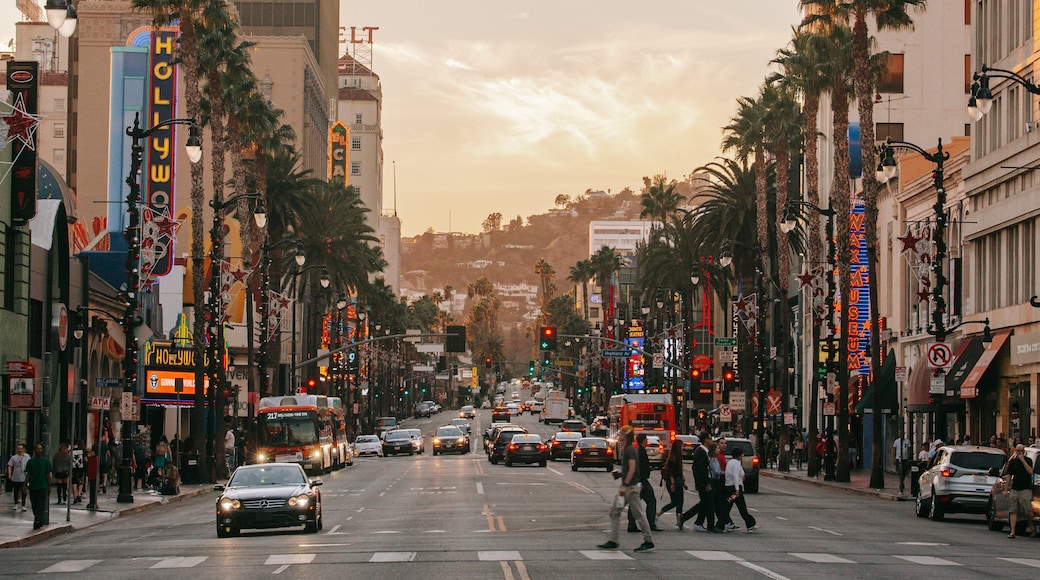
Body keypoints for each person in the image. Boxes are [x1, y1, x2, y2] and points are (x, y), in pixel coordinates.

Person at [598, 426, 654, 552]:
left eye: (622, 433)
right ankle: (613, 540)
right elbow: (630, 469)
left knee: (638, 514)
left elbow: (633, 468)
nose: (620, 435)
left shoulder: (629, 449)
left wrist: (624, 485)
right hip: (628, 487)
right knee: (615, 511)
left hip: (630, 488)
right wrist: (621, 474)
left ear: (627, 435)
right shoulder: (628, 448)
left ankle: (648, 540)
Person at [679, 432, 720, 532]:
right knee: (709, 504)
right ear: (705, 440)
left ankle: (694, 520)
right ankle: (710, 526)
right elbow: (701, 470)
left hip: (705, 481)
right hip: (704, 483)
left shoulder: (704, 452)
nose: (711, 440)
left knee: (704, 503)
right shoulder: (701, 452)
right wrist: (706, 483)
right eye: (710, 438)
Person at [1003, 444, 1037, 539]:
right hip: (1015, 488)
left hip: (1025, 489)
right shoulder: (1013, 462)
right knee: (1013, 510)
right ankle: (1012, 531)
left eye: (1021, 451)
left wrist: (1022, 460)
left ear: (1024, 452)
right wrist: (1006, 489)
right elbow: (1009, 475)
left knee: (1027, 510)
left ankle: (1031, 526)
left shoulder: (1028, 460)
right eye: (1018, 451)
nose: (1019, 453)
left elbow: (1030, 471)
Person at [628, 433, 659, 532]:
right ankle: (651, 523)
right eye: (646, 440)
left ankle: (631, 524)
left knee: (634, 502)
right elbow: (641, 467)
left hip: (638, 481)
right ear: (643, 440)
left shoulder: (637, 451)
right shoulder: (641, 451)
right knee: (651, 502)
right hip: (642, 481)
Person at [722, 446, 758, 533]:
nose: (742, 456)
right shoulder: (737, 463)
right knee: (742, 508)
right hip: (735, 489)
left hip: (729, 487)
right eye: (742, 454)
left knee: (727, 507)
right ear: (738, 455)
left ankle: (722, 524)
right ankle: (750, 525)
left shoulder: (730, 462)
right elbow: (735, 476)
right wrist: (737, 489)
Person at [656, 439, 687, 528]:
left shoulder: (672, 456)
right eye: (681, 446)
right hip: (675, 481)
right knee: (679, 501)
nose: (683, 448)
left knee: (674, 502)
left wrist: (683, 483)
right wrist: (673, 484)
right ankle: (679, 521)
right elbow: (672, 473)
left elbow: (679, 473)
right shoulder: (675, 458)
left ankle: (659, 514)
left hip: (674, 481)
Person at [25, 443, 53, 529]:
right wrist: (24, 485)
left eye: (40, 449)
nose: (39, 450)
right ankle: (38, 519)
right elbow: (28, 474)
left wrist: (49, 486)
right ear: (34, 450)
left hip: (42, 486)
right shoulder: (30, 462)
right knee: (34, 504)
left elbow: (48, 474)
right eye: (37, 449)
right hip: (33, 486)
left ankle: (37, 520)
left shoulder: (46, 461)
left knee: (40, 504)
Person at [7, 443, 29, 511]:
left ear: (23, 449)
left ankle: (23, 505)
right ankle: (16, 504)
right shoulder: (14, 458)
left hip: (24, 477)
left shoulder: (27, 457)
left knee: (24, 491)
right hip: (16, 477)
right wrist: (9, 474)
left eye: (21, 449)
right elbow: (10, 466)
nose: (19, 450)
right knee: (16, 491)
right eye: (18, 449)